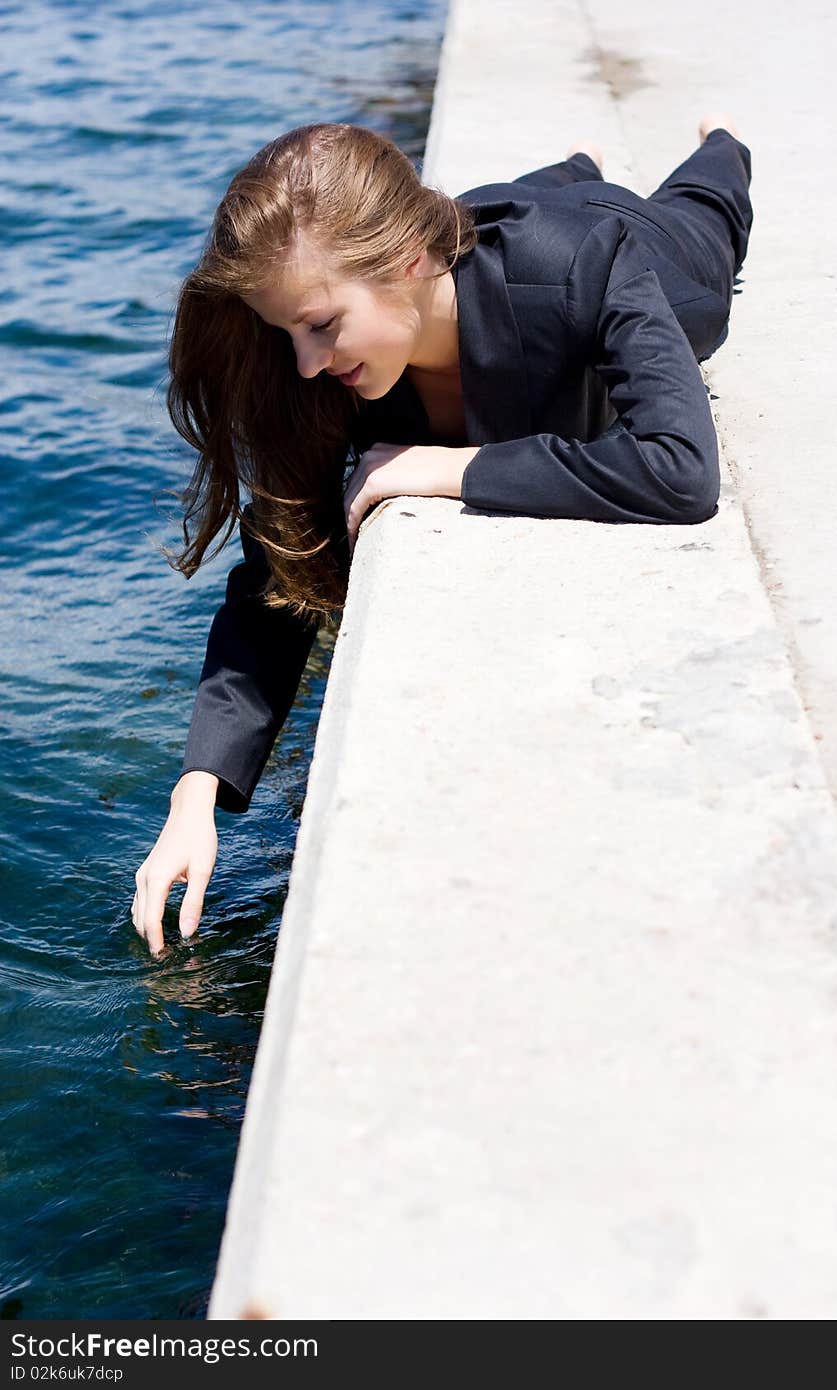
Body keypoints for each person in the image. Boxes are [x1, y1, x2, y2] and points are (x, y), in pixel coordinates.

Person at [132, 114, 753, 954]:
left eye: (320, 325)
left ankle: (719, 140)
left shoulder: (588, 266)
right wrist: (194, 798)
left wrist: (442, 466)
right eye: (288, 335)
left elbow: (680, 469)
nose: (306, 362)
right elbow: (275, 578)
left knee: (703, 218)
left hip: (636, 241)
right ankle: (571, 160)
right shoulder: (341, 356)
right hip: (483, 224)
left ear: (408, 260)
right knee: (512, 202)